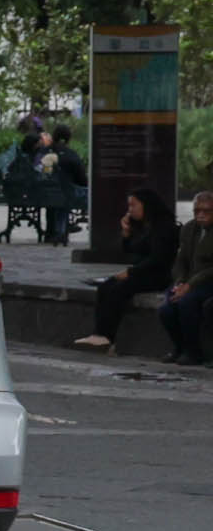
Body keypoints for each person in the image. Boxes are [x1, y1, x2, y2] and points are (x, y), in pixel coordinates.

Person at [77, 186, 178, 351]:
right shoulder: (147, 226)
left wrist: (131, 272)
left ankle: (106, 335)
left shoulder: (164, 227)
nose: (130, 210)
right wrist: (126, 234)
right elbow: (133, 250)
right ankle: (99, 334)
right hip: (144, 272)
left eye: (133, 205)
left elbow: (158, 259)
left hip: (159, 275)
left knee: (120, 289)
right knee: (106, 286)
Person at [164, 191, 213, 366]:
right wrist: (179, 281)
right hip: (189, 281)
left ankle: (194, 352)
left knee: (187, 303)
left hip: (207, 282)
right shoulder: (188, 229)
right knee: (167, 308)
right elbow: (180, 261)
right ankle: (180, 347)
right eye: (197, 211)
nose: (200, 215)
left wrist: (190, 285)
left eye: (206, 211)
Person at [42, 125, 84, 244]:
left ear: (54, 137)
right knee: (64, 197)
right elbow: (82, 179)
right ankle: (62, 230)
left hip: (43, 194)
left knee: (54, 198)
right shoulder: (71, 155)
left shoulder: (44, 152)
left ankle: (53, 232)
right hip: (66, 194)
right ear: (68, 139)